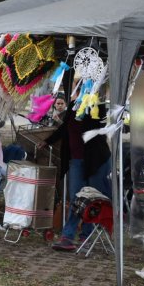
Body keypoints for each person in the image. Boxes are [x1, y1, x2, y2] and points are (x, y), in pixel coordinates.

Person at [38, 94, 111, 251]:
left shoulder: (97, 105)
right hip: (76, 160)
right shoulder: (72, 105)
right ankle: (68, 236)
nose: (75, 92)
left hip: (96, 160)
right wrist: (48, 141)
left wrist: (90, 104)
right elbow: (66, 127)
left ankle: (86, 236)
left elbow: (99, 123)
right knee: (76, 198)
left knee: (92, 198)